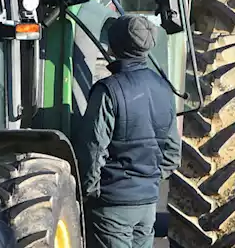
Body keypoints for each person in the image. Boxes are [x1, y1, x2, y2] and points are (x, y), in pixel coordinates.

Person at [74, 15, 179, 248]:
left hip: (113, 206)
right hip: (147, 206)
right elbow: (172, 154)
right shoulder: (164, 89)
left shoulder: (107, 91)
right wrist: (146, 181)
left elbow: (92, 148)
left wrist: (90, 191)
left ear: (113, 46)